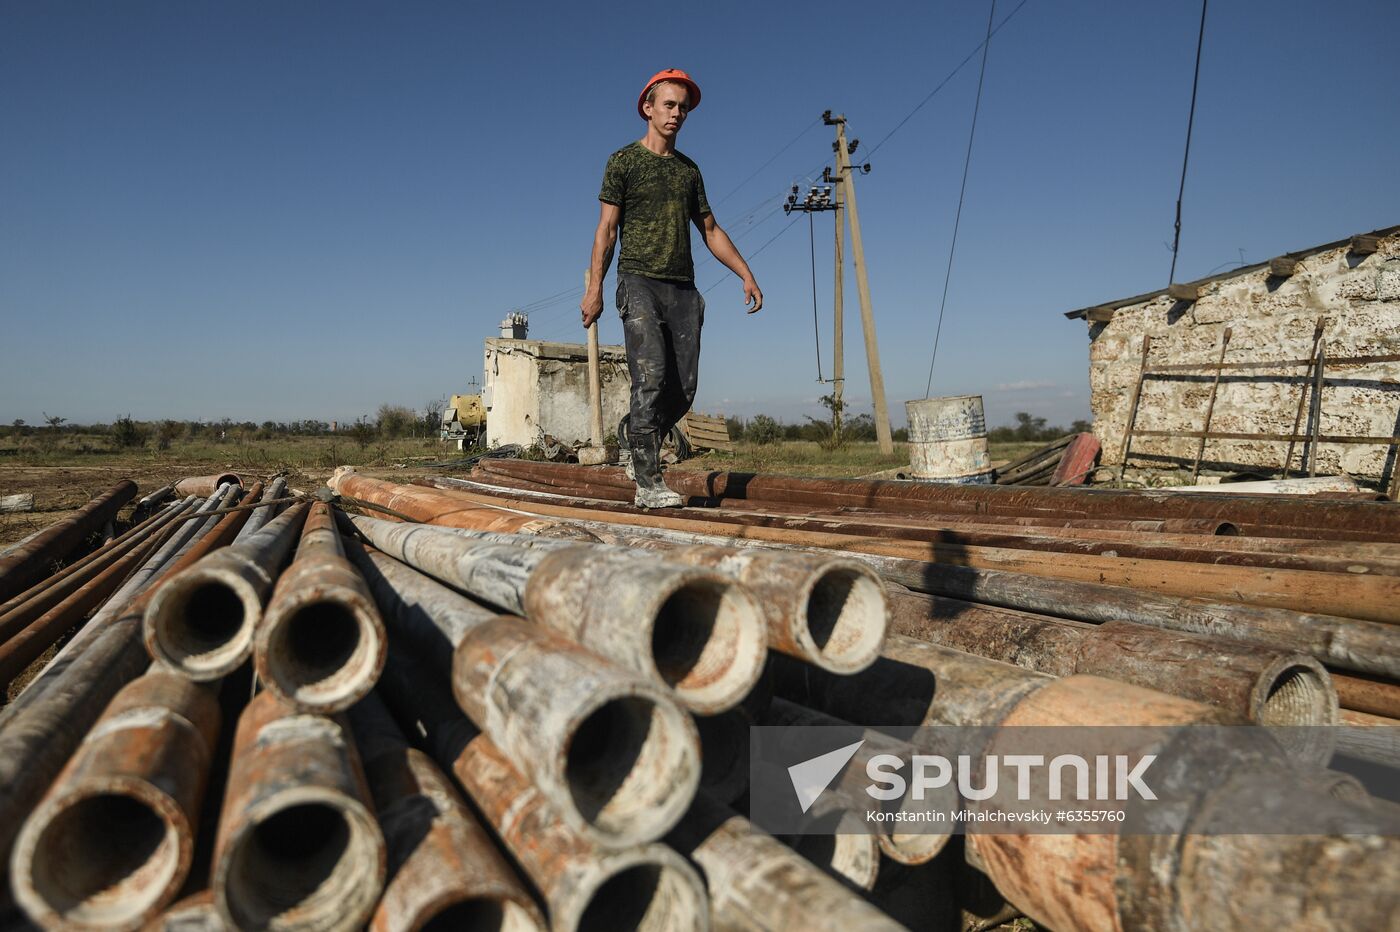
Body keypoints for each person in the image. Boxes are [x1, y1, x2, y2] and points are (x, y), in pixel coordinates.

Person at [581, 68, 763, 508]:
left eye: (683, 107)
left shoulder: (688, 172)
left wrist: (746, 273)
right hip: (638, 281)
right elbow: (606, 229)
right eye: (669, 104)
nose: (677, 113)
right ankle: (647, 483)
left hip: (683, 289)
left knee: (684, 388)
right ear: (648, 107)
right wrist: (596, 287)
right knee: (651, 377)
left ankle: (635, 435)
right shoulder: (623, 162)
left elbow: (711, 229)